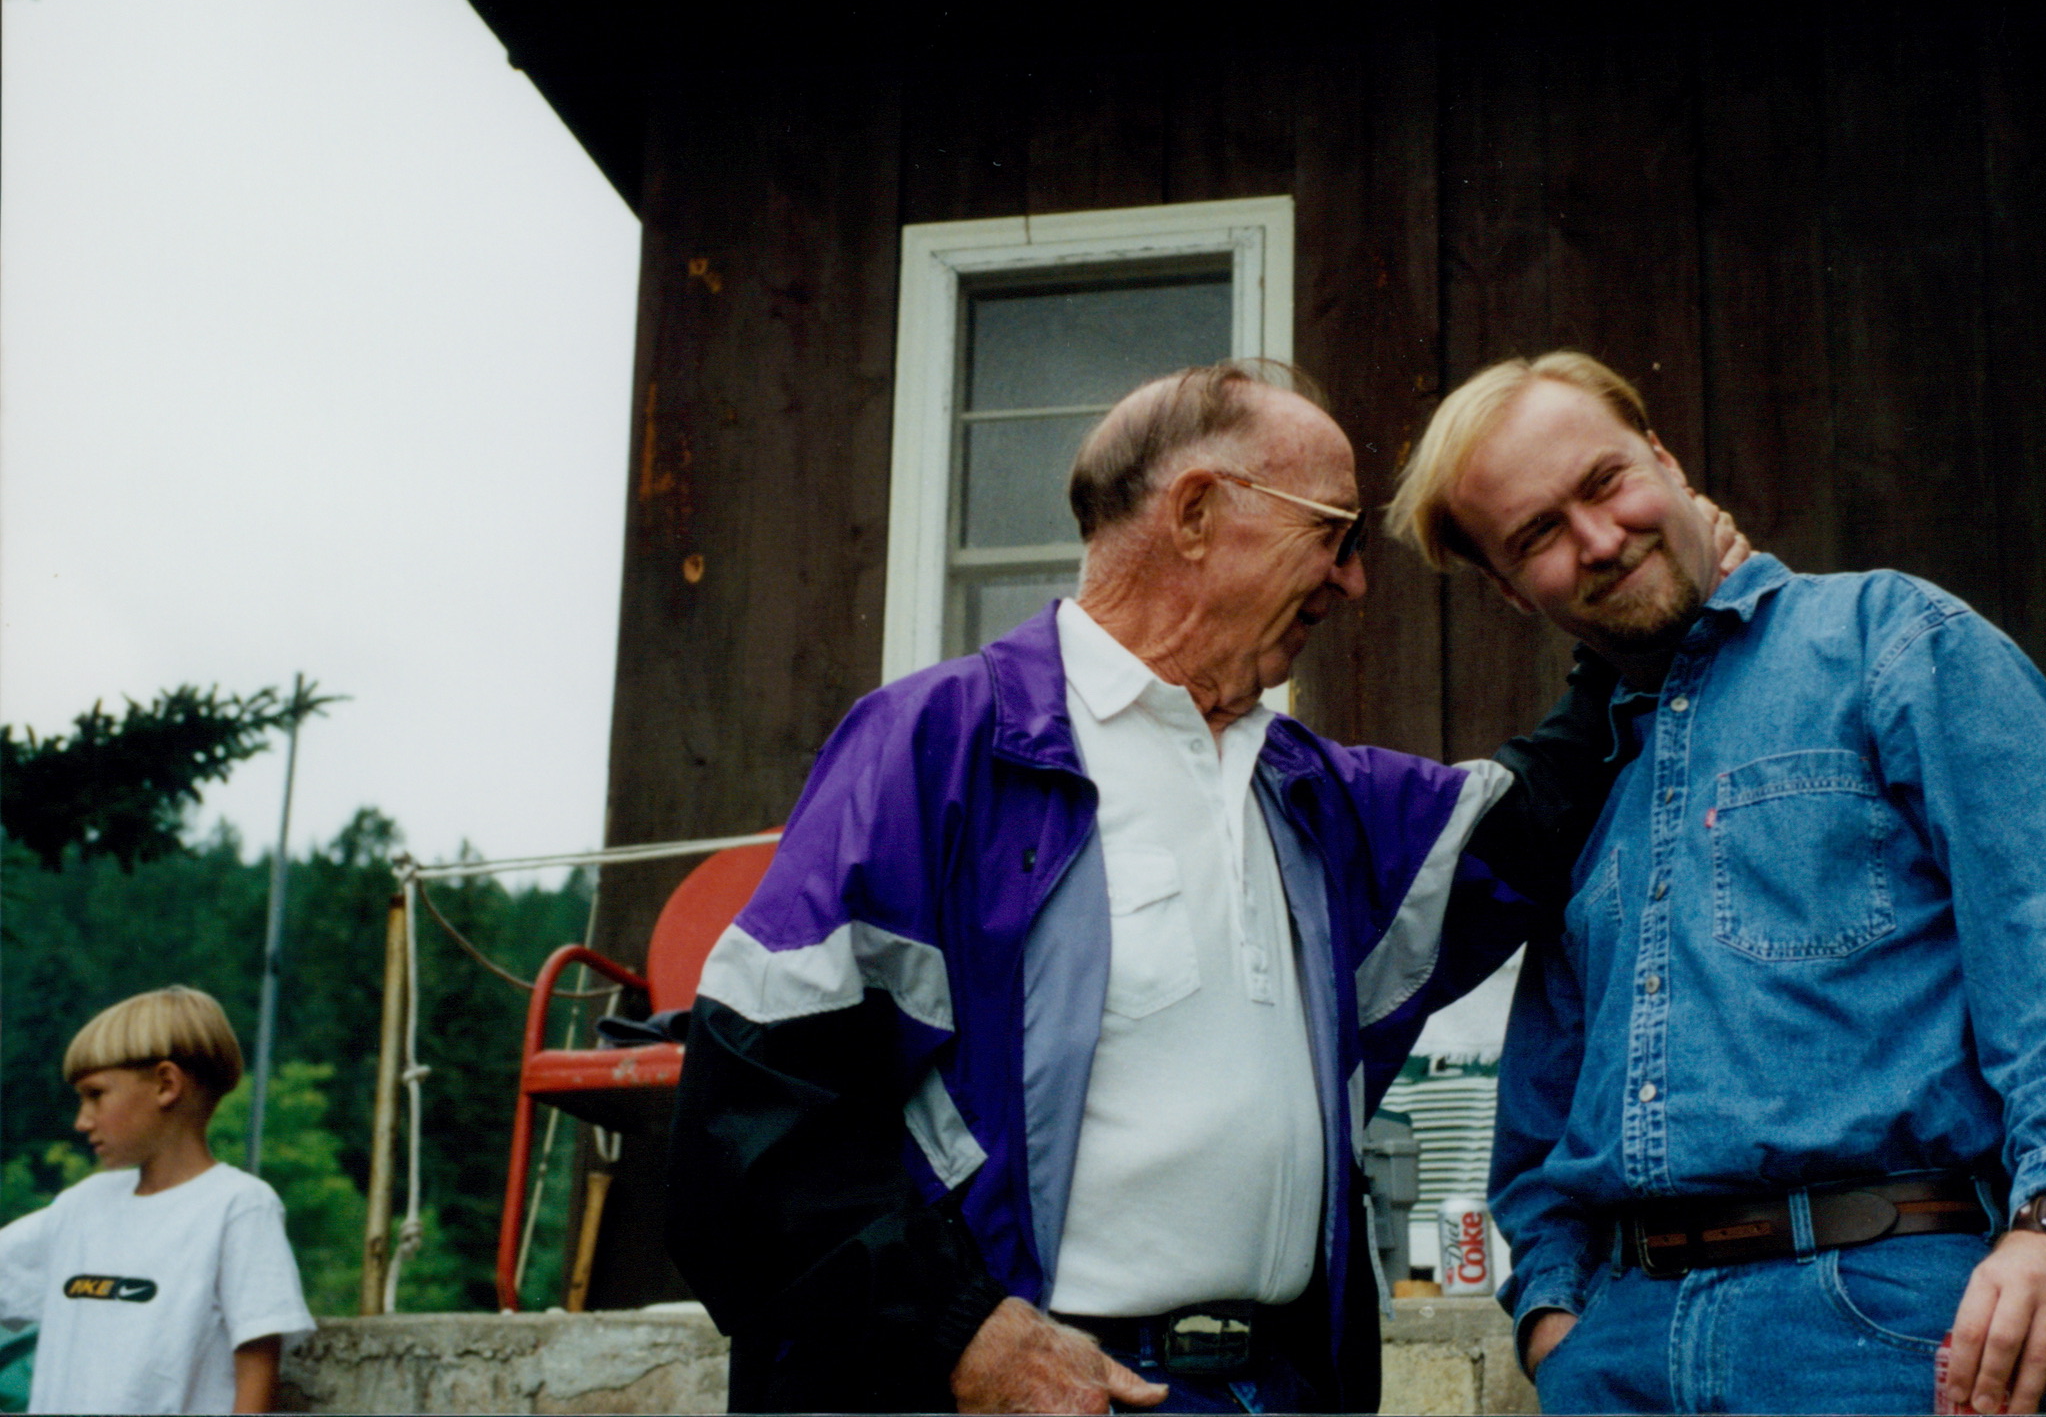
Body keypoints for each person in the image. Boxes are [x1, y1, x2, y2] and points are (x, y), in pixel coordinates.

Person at [666, 359, 1711, 1414]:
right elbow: (746, 1122)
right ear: (1199, 514)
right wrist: (956, 1332)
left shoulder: (1308, 795)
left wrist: (1638, 576)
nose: (1351, 580)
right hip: (1037, 1392)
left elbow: (1531, 820)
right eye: (1334, 534)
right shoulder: (938, 747)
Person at [1386, 351, 2046, 1417]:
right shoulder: (1589, 783)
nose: (1596, 539)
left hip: (1893, 1329)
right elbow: (1546, 1094)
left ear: (1665, 460)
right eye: (1538, 534)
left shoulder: (1892, 643)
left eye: (1603, 483)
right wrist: (1552, 1318)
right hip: (1617, 1357)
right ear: (1505, 589)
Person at [0, 987, 314, 1415]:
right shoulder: (79, 1207)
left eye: (95, 1095)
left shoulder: (238, 1206)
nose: (81, 1121)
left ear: (166, 1084)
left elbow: (257, 1360)